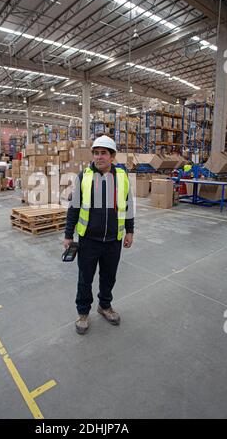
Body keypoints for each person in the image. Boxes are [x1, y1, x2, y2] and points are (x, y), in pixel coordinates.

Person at [63, 135, 134, 335]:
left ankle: (105, 306)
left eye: (103, 153)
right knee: (85, 279)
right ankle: (83, 313)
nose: (99, 157)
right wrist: (69, 235)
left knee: (109, 277)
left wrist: (130, 231)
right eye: (96, 153)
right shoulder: (83, 177)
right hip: (89, 241)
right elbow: (74, 208)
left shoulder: (122, 176)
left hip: (114, 240)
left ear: (112, 156)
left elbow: (127, 206)